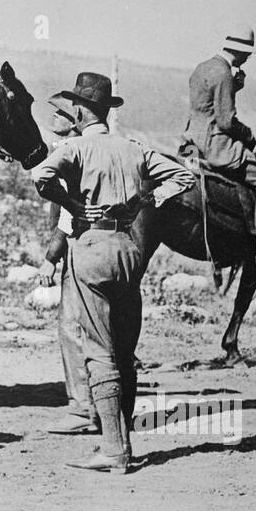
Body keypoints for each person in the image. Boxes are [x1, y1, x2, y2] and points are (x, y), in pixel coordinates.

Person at [32, 72, 195, 474]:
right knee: (124, 353)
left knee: (99, 352)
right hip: (130, 250)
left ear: (81, 110)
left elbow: (40, 177)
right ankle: (126, 443)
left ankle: (113, 450)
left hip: (92, 249)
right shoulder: (134, 147)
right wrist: (141, 202)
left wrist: (72, 204)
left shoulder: (77, 147)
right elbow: (184, 177)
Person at [182, 25, 256, 267]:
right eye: (247, 54)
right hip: (216, 145)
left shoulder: (204, 67)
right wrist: (251, 135)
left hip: (192, 140)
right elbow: (225, 120)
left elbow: (206, 105)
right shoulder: (224, 73)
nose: (247, 59)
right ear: (241, 52)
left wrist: (235, 87)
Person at [35, 95, 98, 435]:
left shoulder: (70, 154)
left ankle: (82, 409)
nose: (54, 116)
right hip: (111, 248)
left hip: (78, 245)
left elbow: (68, 215)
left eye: (60, 112)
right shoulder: (104, 145)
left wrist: (50, 258)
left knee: (71, 327)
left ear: (74, 118)